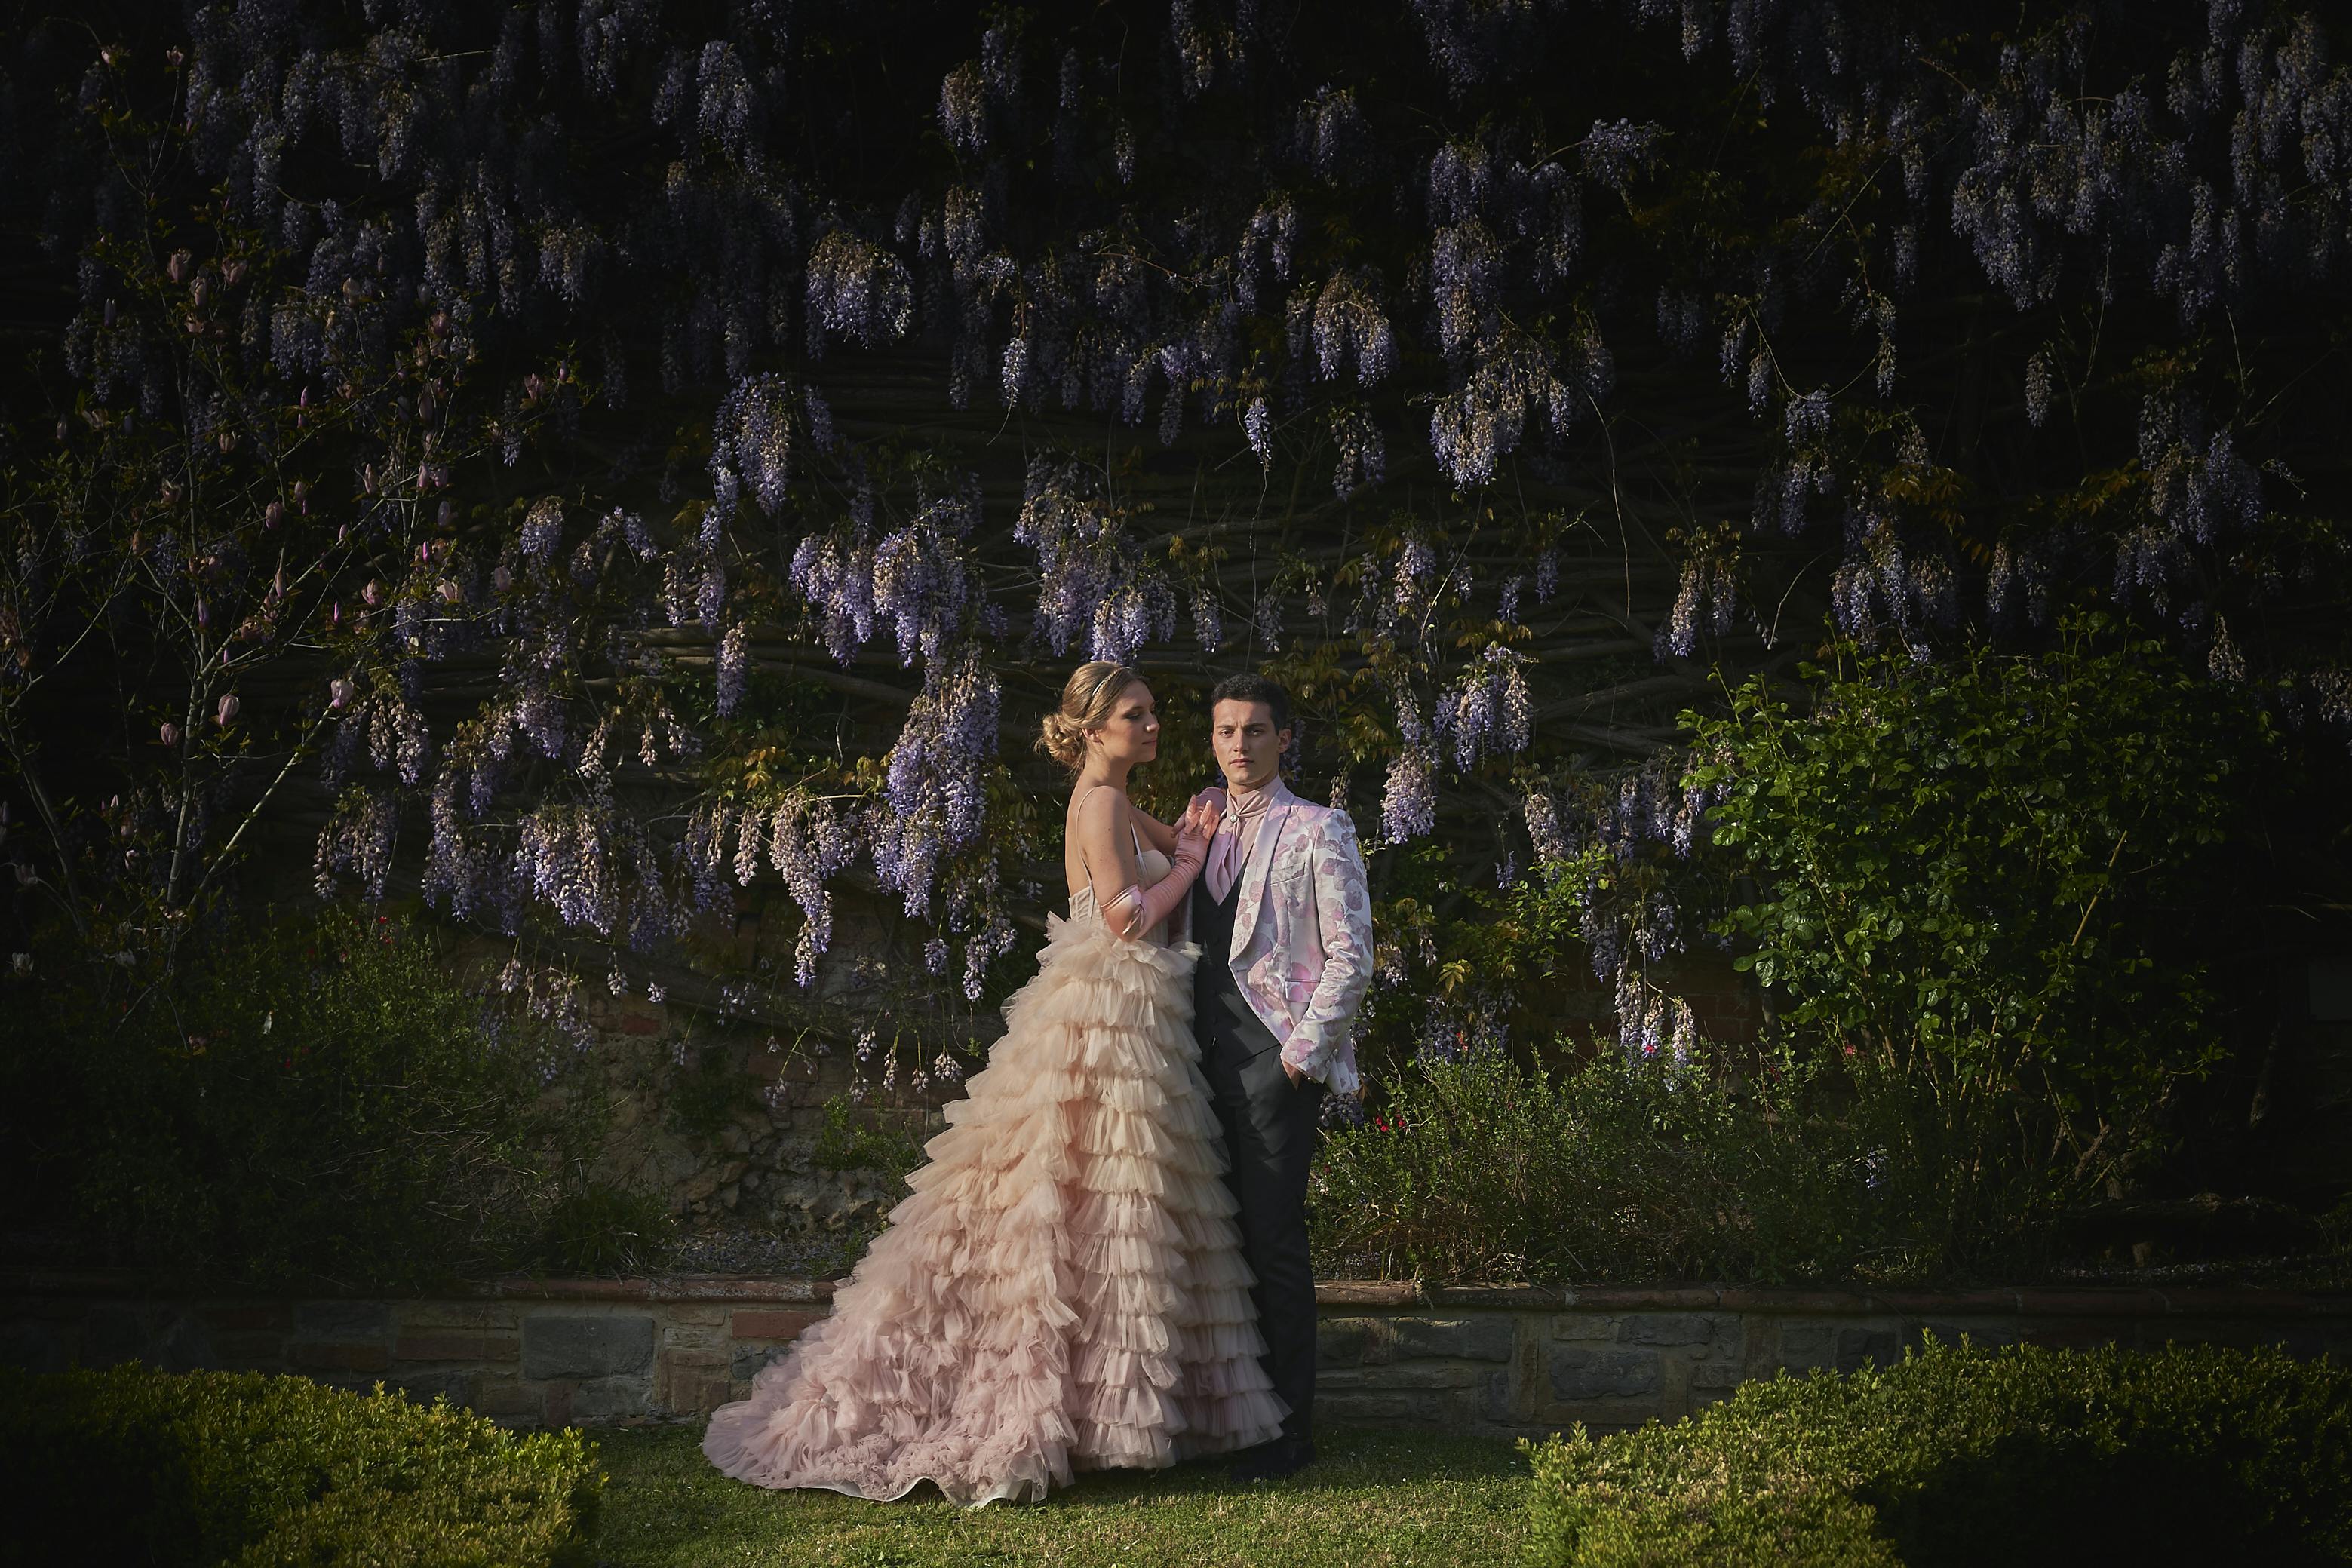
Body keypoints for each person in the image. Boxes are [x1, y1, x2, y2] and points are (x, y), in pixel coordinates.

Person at [702, 661, 1287, 1505]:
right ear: (1093, 731)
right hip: (1106, 1005)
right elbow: (1126, 915)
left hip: (1130, 1007)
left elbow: (1172, 847)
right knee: (1086, 1198)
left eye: (1154, 711)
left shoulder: (1111, 796)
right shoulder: (1098, 801)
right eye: (1136, 714)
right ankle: (1066, 1412)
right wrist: (1192, 861)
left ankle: (1107, 1417)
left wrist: (1197, 836)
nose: (1155, 725)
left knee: (1111, 1205)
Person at [1190, 672, 1374, 1482]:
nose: (1239, 745)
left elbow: (1353, 957)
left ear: (1284, 737)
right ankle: (1224, 1424)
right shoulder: (1197, 824)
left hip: (1272, 1064)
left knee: (1272, 1244)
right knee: (1212, 1250)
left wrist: (1297, 1060)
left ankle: (1288, 1432)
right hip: (1194, 1062)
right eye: (1226, 731)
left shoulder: (1319, 828)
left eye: (1255, 730)